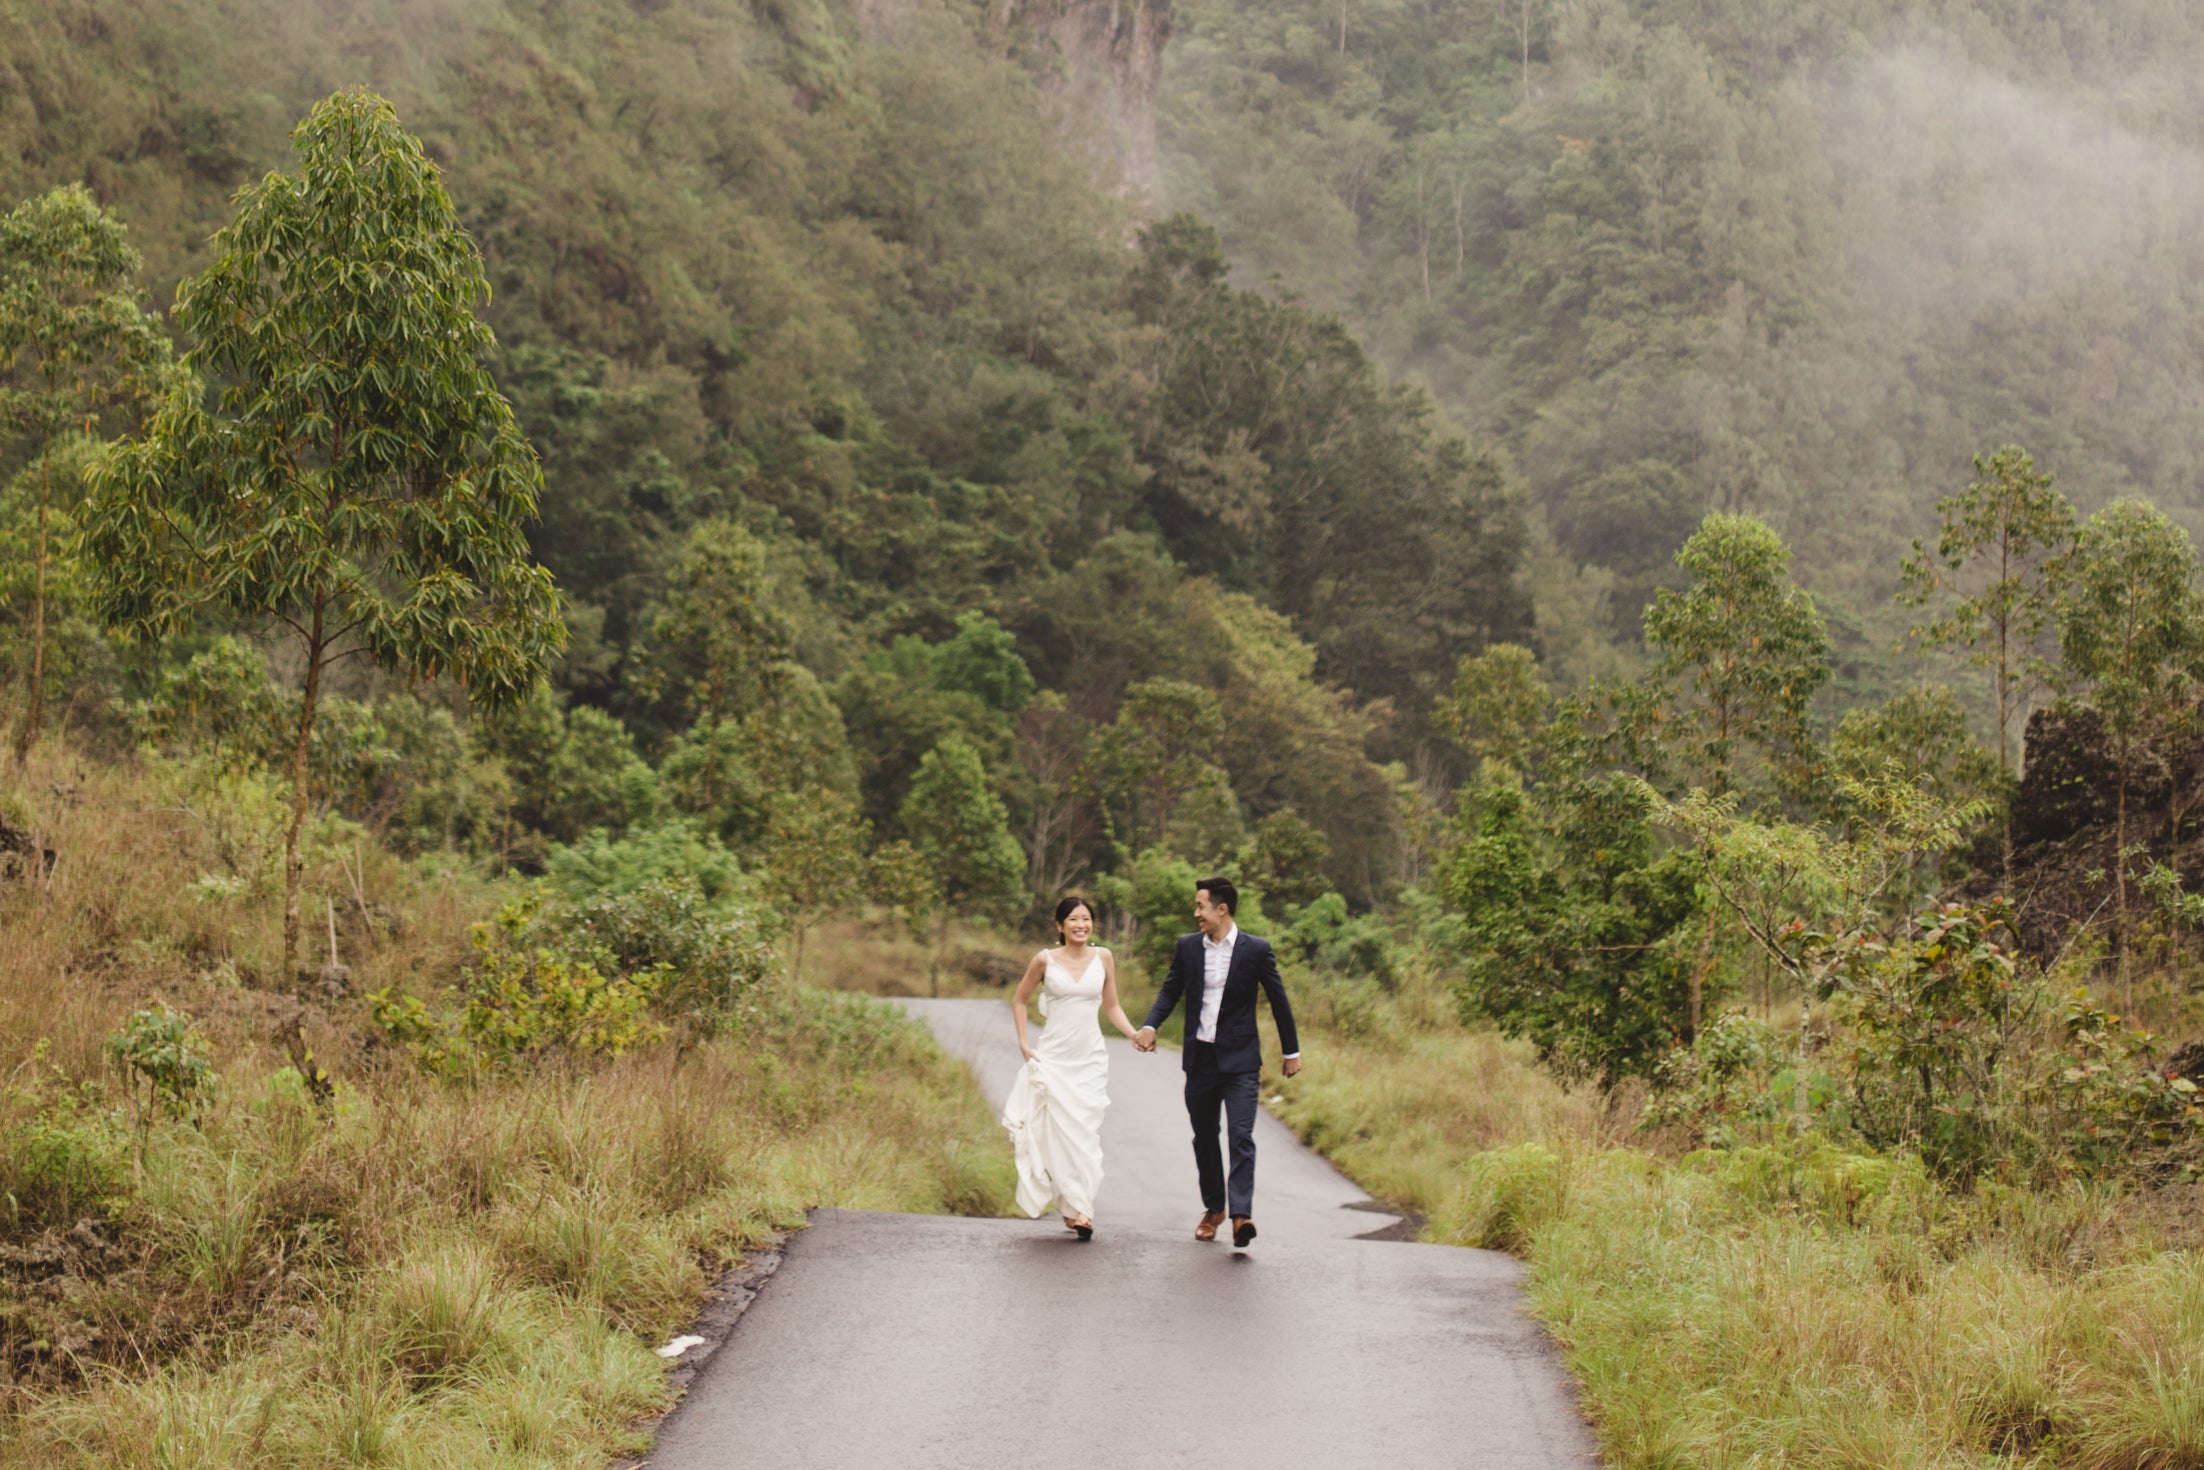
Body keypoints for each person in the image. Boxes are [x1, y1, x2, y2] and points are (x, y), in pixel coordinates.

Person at [1133, 876, 1301, 1249]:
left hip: (1241, 1062)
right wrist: (1149, 1025)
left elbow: (1278, 1001)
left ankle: (1242, 1216)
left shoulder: (1256, 950)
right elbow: (1170, 990)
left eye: (1200, 906)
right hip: (1200, 1060)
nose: (1196, 914)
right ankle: (1214, 1209)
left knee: (1241, 1136)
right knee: (1205, 1138)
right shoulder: (1189, 947)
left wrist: (1291, 1052)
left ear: (1221, 909)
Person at [1002, 896, 1144, 1239]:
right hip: (1054, 1056)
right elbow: (1019, 999)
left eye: (1086, 919)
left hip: (1090, 1058)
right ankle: (1073, 1205)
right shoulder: (1044, 960)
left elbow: (1112, 1006)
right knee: (1056, 1132)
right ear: (1060, 925)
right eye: (1074, 920)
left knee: (1083, 1133)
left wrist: (1134, 1034)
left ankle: (1082, 1209)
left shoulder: (1104, 957)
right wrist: (1024, 1043)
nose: (1081, 925)